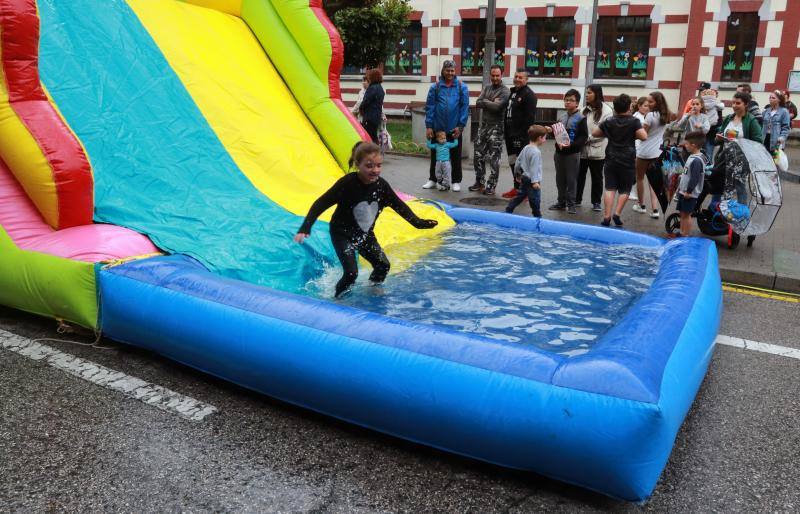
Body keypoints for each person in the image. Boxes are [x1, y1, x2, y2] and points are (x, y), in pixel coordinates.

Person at [294, 142, 438, 298]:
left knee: (383, 265)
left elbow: (400, 207)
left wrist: (419, 223)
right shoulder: (348, 183)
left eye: (378, 165)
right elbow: (321, 203)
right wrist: (306, 227)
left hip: (364, 234)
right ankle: (337, 301)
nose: (375, 170)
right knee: (351, 273)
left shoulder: (382, 186)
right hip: (342, 233)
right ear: (358, 165)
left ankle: (372, 290)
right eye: (369, 166)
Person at [592, 94, 648, 227]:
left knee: (610, 188)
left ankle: (606, 216)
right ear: (629, 107)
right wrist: (632, 134)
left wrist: (608, 132)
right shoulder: (634, 121)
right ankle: (617, 213)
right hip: (627, 159)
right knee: (625, 189)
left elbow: (595, 133)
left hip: (611, 157)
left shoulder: (609, 121)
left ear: (615, 108)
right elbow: (644, 136)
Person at [423, 60, 469, 192]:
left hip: (454, 128)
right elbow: (430, 107)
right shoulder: (435, 87)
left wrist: (460, 126)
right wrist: (429, 126)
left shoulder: (461, 87)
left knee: (455, 155)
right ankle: (433, 179)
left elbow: (464, 107)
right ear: (443, 71)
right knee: (435, 154)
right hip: (438, 128)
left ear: (455, 72)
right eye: (447, 70)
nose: (450, 73)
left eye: (452, 70)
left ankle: (455, 181)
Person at [469, 65, 510, 195]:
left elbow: (498, 107)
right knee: (478, 154)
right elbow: (478, 102)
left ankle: (491, 185)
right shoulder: (486, 87)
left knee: (494, 158)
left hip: (497, 128)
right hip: (484, 127)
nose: (495, 78)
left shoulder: (505, 91)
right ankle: (479, 182)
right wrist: (490, 101)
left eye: (497, 75)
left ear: (501, 75)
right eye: (493, 75)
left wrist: (486, 101)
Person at [547, 89, 587, 214]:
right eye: (566, 100)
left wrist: (571, 145)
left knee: (571, 180)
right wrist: (550, 130)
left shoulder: (581, 118)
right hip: (559, 153)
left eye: (571, 100)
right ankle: (561, 202)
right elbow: (557, 133)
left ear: (577, 103)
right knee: (560, 179)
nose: (568, 102)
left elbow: (583, 137)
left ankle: (571, 204)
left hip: (572, 154)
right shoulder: (561, 117)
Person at [501, 68, 538, 198]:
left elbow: (529, 119)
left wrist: (522, 136)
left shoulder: (529, 95)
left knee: (522, 164)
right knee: (513, 163)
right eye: (516, 76)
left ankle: (525, 191)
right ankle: (517, 188)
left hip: (520, 136)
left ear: (526, 80)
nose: (517, 79)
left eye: (520, 77)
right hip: (509, 135)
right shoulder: (513, 93)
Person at [634, 91, 670, 219]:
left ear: (657, 102)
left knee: (640, 178)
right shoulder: (665, 115)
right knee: (654, 182)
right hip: (657, 152)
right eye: (647, 101)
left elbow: (642, 135)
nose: (648, 104)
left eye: (651, 101)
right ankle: (655, 209)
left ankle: (641, 205)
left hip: (644, 152)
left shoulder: (649, 116)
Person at [577, 84, 613, 212]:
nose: (586, 95)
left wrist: (588, 138)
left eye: (590, 93)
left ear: (597, 94)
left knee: (597, 177)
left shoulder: (607, 111)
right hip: (583, 150)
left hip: (598, 150)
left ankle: (596, 202)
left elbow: (605, 131)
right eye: (586, 93)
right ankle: (577, 199)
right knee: (579, 175)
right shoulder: (584, 110)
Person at [505, 125, 547, 217]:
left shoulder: (526, 148)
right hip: (532, 180)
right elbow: (534, 168)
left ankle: (509, 208)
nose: (545, 140)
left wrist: (517, 174)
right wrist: (535, 182)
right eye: (544, 138)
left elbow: (518, 161)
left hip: (524, 178)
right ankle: (537, 216)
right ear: (539, 138)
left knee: (520, 196)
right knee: (535, 199)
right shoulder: (536, 152)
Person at [674, 131, 707, 238]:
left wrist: (689, 191)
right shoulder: (692, 156)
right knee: (682, 214)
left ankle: (685, 234)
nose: (685, 145)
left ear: (693, 145)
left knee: (687, 215)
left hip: (689, 194)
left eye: (687, 144)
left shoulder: (697, 160)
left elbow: (695, 178)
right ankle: (682, 232)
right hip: (684, 191)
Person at [359, 69, 385, 143]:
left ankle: (370, 152)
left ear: (373, 77)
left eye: (370, 76)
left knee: (368, 136)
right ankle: (376, 152)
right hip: (376, 116)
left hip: (369, 116)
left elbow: (366, 101)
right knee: (373, 136)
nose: (369, 77)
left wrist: (361, 108)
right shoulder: (380, 88)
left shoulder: (372, 88)